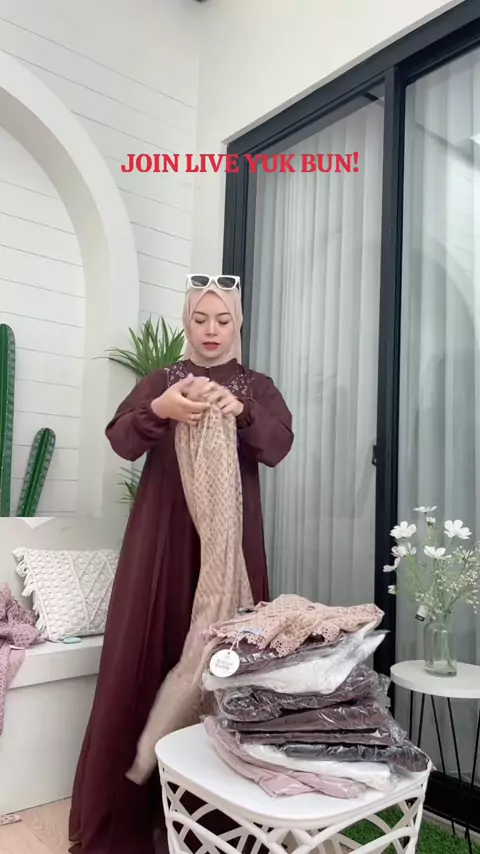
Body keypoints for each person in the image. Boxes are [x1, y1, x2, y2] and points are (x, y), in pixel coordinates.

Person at [68, 275, 294, 854]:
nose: (211, 330)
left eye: (223, 319)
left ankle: (214, 825)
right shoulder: (163, 380)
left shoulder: (256, 386)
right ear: (186, 322)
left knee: (223, 665)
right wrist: (159, 410)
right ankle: (129, 816)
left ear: (237, 324)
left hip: (229, 549)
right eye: (200, 319)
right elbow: (121, 438)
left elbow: (278, 445)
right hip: (161, 543)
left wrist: (242, 412)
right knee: (145, 653)